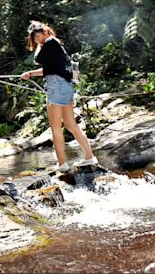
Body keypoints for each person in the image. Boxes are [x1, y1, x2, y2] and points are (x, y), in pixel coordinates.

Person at [20, 21, 98, 172]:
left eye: (39, 36)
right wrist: (30, 74)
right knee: (70, 125)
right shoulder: (55, 45)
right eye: (35, 38)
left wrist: (40, 44)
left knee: (55, 127)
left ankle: (62, 163)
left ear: (46, 33)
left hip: (56, 87)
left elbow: (36, 59)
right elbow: (50, 69)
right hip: (65, 86)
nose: (37, 39)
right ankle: (89, 156)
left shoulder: (48, 43)